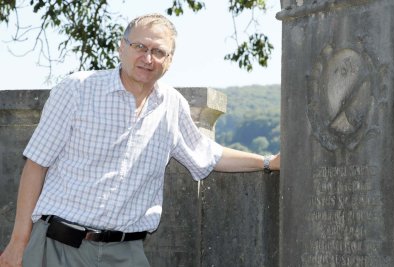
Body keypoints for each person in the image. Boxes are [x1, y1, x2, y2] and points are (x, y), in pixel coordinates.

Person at [0, 13, 280, 267]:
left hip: (126, 254)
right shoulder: (77, 90)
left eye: (159, 51)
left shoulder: (171, 105)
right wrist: (18, 243)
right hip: (58, 248)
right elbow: (36, 165)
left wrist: (269, 161)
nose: (148, 58)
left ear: (169, 60)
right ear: (122, 47)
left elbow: (207, 154)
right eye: (140, 47)